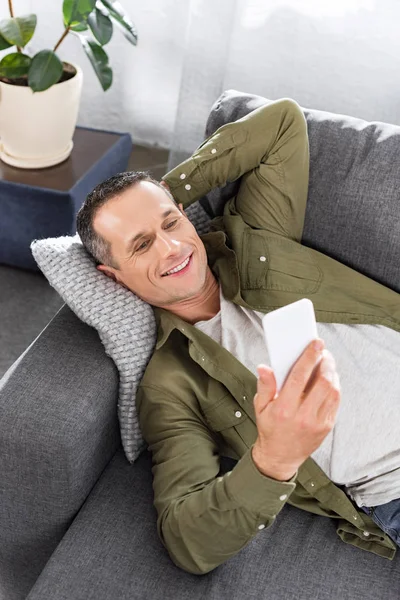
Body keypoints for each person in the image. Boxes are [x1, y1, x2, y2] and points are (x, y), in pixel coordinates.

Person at [76, 98, 400, 574]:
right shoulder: (170, 383)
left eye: (171, 222)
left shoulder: (256, 238)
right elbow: (187, 542)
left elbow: (282, 122)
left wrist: (163, 192)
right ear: (115, 276)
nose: (172, 247)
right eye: (142, 245)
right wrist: (275, 457)